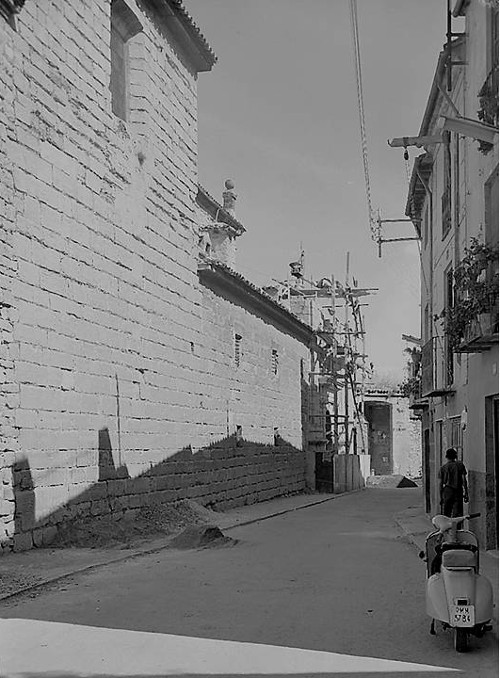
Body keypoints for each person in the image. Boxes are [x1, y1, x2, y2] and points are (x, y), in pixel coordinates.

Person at [439, 447, 469, 518]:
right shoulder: (460, 465)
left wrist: (441, 497)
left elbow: (440, 484)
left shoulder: (443, 468)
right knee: (457, 513)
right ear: (455, 456)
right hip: (458, 490)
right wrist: (466, 493)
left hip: (447, 490)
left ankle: (447, 528)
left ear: (447, 456)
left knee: (446, 513)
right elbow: (464, 480)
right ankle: (455, 528)